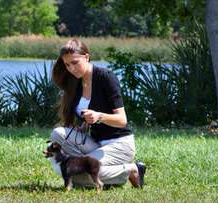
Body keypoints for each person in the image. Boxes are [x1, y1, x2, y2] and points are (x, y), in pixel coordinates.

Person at [50, 38, 146, 188]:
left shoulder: (106, 77)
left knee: (79, 174)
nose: (71, 68)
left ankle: (132, 169)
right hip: (95, 143)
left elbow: (122, 120)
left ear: (86, 57)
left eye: (75, 62)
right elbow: (83, 120)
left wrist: (99, 116)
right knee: (57, 133)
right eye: (67, 65)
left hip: (120, 144)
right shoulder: (76, 83)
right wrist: (83, 126)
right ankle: (98, 172)